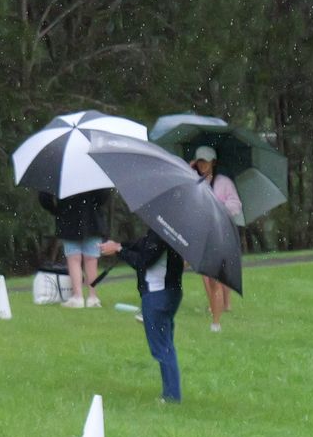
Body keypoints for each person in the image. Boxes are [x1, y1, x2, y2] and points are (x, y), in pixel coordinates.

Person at [97, 231, 186, 403]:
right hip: (171, 293)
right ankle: (171, 392)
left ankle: (171, 396)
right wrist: (120, 245)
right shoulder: (173, 232)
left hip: (157, 294)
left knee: (162, 347)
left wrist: (118, 250)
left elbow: (143, 261)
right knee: (165, 344)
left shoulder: (162, 233)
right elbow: (143, 244)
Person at [190, 147, 243, 331]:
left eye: (205, 161)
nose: (202, 165)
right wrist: (189, 169)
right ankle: (215, 305)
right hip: (203, 230)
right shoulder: (194, 180)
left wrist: (219, 207)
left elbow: (235, 204)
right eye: (199, 161)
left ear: (213, 162)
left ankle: (223, 305)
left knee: (219, 271)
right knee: (206, 271)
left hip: (221, 231)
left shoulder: (224, 182)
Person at [55, 188, 109, 308]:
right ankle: (93, 297)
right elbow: (103, 196)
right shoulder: (95, 178)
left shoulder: (63, 178)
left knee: (73, 259)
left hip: (68, 220)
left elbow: (44, 197)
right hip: (93, 220)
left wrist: (57, 210)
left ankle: (77, 297)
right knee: (91, 259)